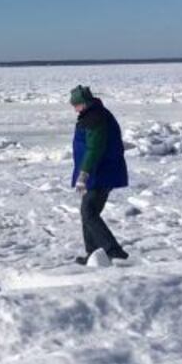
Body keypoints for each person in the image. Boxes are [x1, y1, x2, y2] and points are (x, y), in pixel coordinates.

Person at [69, 85, 129, 263]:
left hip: (101, 172)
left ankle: (113, 251)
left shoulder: (95, 118)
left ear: (84, 103)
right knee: (87, 212)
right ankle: (94, 254)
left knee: (89, 212)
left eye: (76, 104)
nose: (74, 108)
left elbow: (94, 148)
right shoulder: (92, 115)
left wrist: (84, 173)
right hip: (97, 172)